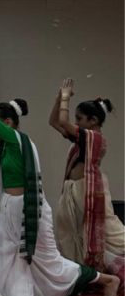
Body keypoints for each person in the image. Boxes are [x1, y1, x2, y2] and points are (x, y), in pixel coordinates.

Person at [0, 66, 119, 296]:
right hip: (9, 210)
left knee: (49, 263)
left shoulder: (14, 139)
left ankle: (107, 279)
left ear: (7, 123)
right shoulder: (4, 144)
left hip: (29, 212)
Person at [49, 78, 124, 283]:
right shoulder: (83, 137)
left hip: (88, 192)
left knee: (108, 235)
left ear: (93, 121)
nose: (76, 122)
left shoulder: (95, 138)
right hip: (74, 190)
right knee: (73, 233)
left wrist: (66, 97)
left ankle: (109, 275)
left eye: (79, 118)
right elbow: (54, 122)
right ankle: (85, 277)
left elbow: (63, 122)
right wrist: (59, 98)